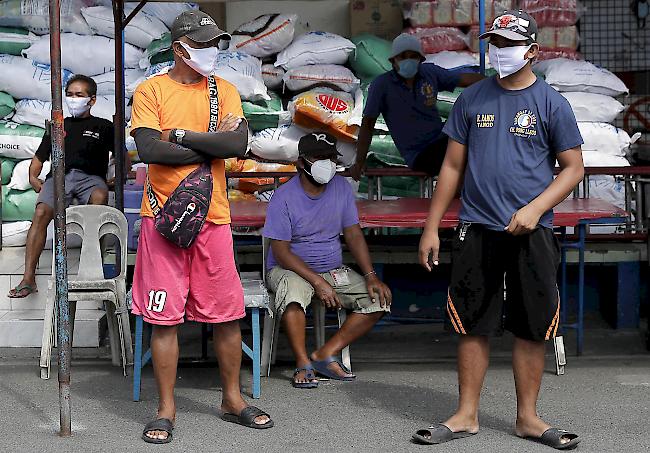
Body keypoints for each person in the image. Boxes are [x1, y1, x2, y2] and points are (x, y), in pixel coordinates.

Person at [414, 10, 584, 449]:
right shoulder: (473, 99)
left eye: (508, 44)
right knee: (473, 321)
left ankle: (528, 417)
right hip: (476, 226)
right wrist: (432, 227)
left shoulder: (551, 103)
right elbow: (452, 166)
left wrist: (535, 208)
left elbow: (572, 168)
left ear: (531, 51)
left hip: (532, 231)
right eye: (495, 43)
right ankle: (466, 414)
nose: (499, 51)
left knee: (531, 324)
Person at [130, 10, 273, 444]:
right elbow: (149, 150)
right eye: (205, 44)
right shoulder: (150, 90)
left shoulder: (224, 90)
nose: (213, 52)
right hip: (163, 222)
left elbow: (235, 144)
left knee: (226, 315)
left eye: (216, 44)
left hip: (213, 220)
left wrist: (179, 137)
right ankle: (166, 409)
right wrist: (202, 145)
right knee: (164, 318)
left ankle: (232, 400)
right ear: (180, 48)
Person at [263, 132, 392, 389]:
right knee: (293, 295)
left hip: (332, 269)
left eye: (332, 157)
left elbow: (353, 234)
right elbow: (281, 252)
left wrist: (370, 276)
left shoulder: (341, 188)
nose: (328, 164)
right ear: (302, 163)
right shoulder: (283, 197)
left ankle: (324, 354)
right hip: (288, 269)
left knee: (378, 299)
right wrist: (317, 282)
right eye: (320, 158)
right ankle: (303, 363)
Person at [8, 75, 113, 298]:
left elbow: (122, 158)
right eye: (70, 95)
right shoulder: (58, 126)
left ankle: (92, 270)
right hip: (59, 177)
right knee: (41, 212)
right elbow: (39, 158)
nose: (73, 99)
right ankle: (28, 279)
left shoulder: (104, 126)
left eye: (79, 95)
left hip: (90, 178)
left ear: (92, 100)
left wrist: (117, 178)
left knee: (100, 198)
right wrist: (34, 178)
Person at [350, 33, 483, 180]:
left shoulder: (429, 73)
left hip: (442, 137)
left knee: (479, 127)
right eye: (403, 56)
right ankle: (458, 192)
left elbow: (463, 79)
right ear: (393, 61)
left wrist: (494, 83)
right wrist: (359, 161)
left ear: (421, 59)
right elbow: (368, 124)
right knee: (464, 148)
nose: (408, 61)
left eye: (413, 56)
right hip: (420, 153)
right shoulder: (382, 85)